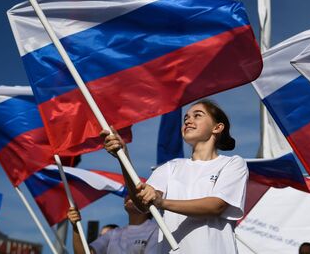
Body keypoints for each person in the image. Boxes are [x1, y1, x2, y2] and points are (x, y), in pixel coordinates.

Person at [103, 99, 249, 254]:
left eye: (197, 116)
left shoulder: (233, 163)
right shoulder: (169, 167)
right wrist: (123, 158)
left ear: (217, 127)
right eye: (186, 118)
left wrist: (161, 202)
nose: (188, 121)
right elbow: (142, 203)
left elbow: (216, 205)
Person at [67, 196, 158, 254]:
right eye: (128, 192)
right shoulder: (114, 233)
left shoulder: (157, 231)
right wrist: (76, 228)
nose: (129, 196)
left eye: (135, 193)